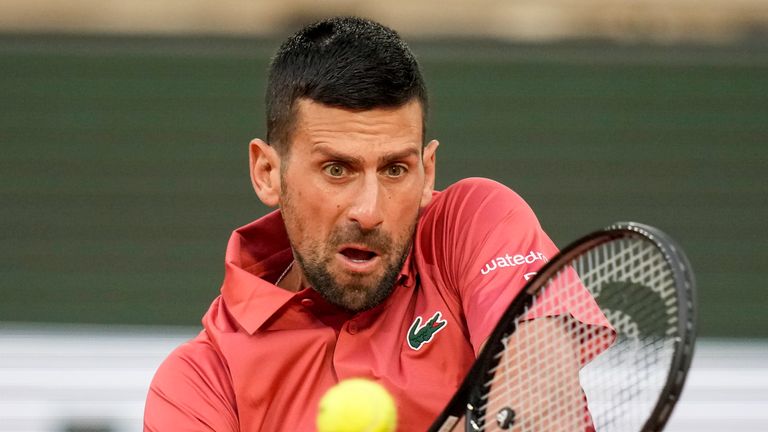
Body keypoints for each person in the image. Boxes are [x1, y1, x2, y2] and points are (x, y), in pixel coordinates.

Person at [144, 16, 610, 431]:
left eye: (394, 170)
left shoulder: (472, 223)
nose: (369, 211)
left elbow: (540, 384)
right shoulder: (200, 387)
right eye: (336, 170)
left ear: (428, 173)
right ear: (268, 172)